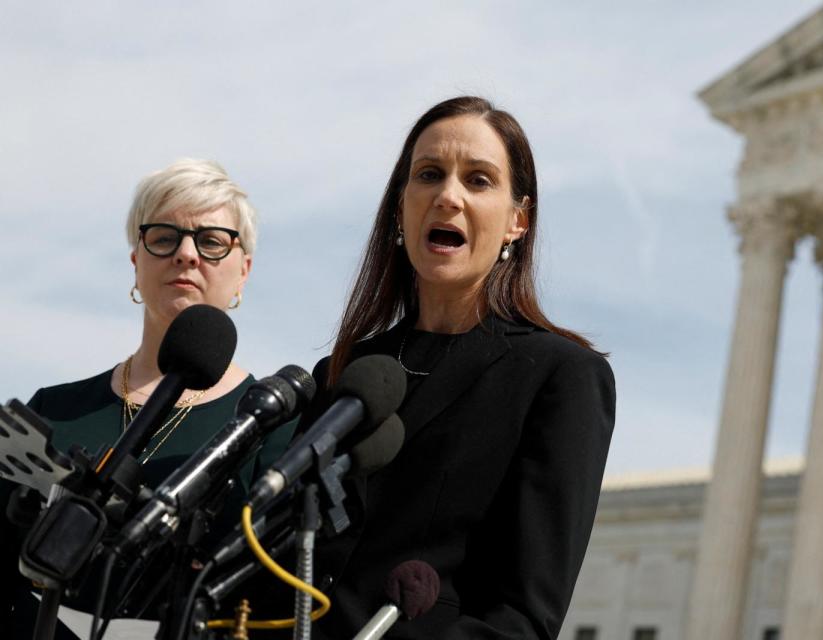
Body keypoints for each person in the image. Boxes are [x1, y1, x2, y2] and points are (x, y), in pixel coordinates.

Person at [293, 96, 616, 639]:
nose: (448, 195)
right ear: (401, 207)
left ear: (518, 221)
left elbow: (522, 618)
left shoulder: (561, 378)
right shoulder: (342, 372)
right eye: (429, 174)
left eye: (479, 180)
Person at [0, 158, 267, 636]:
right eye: (164, 237)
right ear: (136, 262)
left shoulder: (271, 425)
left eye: (211, 241)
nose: (186, 254)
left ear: (243, 271)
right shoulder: (54, 412)